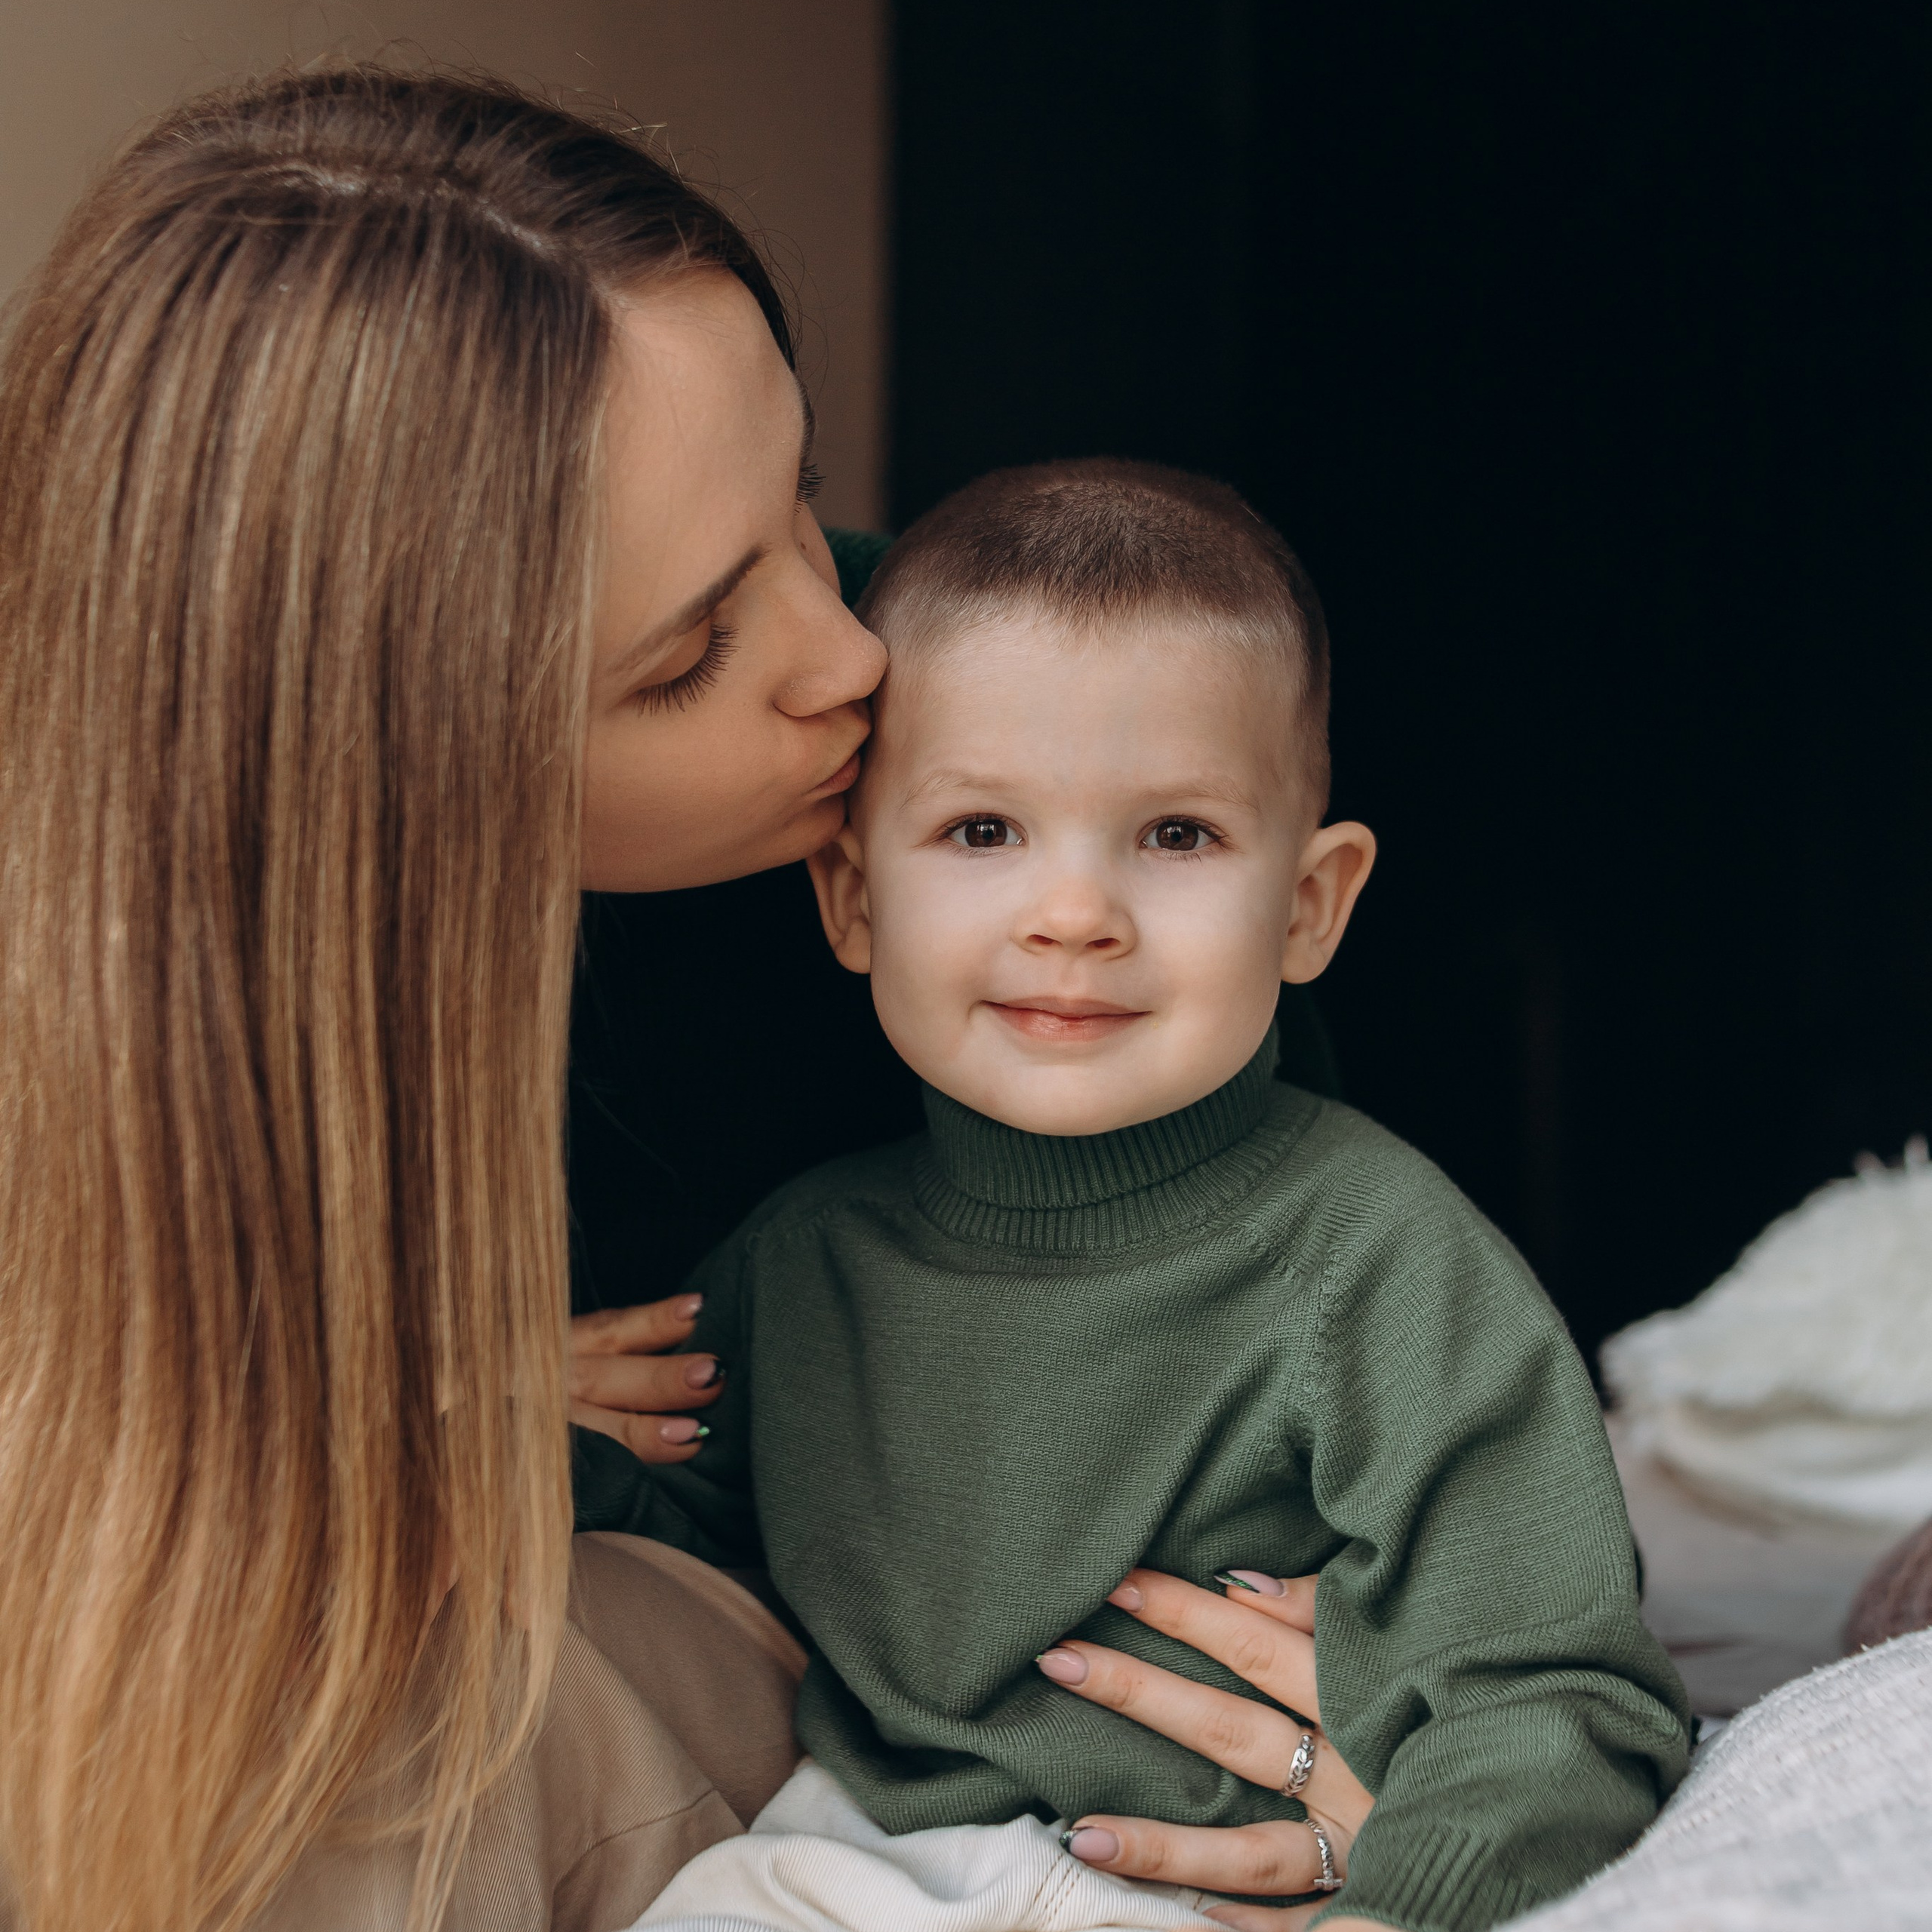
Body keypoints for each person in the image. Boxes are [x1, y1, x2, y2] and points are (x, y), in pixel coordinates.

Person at [0, 63, 1370, 1932]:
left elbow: (1327, 1323)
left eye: (800, 501)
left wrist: (1384, 1685)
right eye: (693, 652)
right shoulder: (95, 965)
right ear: (385, 775)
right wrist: (365, 1402)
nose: (850, 648)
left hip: (913, 1680)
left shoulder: (988, 786)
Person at [575, 461, 1690, 1930]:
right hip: (850, 1860)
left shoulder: (1378, 1262)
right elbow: (652, 1519)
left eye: (1172, 834)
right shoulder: (801, 1261)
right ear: (850, 897)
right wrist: (497, 1423)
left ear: (1308, 904)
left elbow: (1555, 1693)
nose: (1074, 914)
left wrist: (1398, 1903)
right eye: (982, 831)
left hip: (1217, 1880)